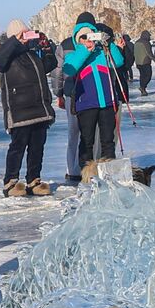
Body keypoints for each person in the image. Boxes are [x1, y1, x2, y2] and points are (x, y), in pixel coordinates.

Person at [0, 19, 57, 197]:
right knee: (18, 146)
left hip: (39, 108)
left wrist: (47, 48)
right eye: (23, 34)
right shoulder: (5, 53)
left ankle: (33, 179)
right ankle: (10, 181)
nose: (27, 38)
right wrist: (15, 41)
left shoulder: (32, 53)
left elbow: (49, 66)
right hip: (19, 109)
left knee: (37, 146)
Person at [62, 20, 126, 179]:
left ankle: (110, 176)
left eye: (90, 35)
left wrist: (108, 43)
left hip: (107, 103)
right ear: (77, 39)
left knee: (108, 141)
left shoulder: (102, 53)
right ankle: (86, 177)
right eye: (83, 36)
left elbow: (118, 61)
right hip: (86, 104)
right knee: (86, 142)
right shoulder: (75, 55)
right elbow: (69, 68)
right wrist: (85, 50)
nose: (87, 39)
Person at [58, 11, 96, 183]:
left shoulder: (65, 43)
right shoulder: (69, 44)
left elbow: (56, 73)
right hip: (77, 91)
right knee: (83, 132)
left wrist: (58, 92)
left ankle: (74, 168)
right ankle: (80, 168)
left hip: (72, 92)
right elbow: (59, 71)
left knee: (75, 132)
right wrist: (60, 92)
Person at [132, 30, 155, 96]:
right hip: (145, 62)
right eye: (149, 36)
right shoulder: (146, 42)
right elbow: (149, 53)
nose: (149, 37)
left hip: (138, 62)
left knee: (142, 76)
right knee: (148, 75)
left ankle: (143, 89)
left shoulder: (136, 42)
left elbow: (134, 53)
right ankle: (142, 87)